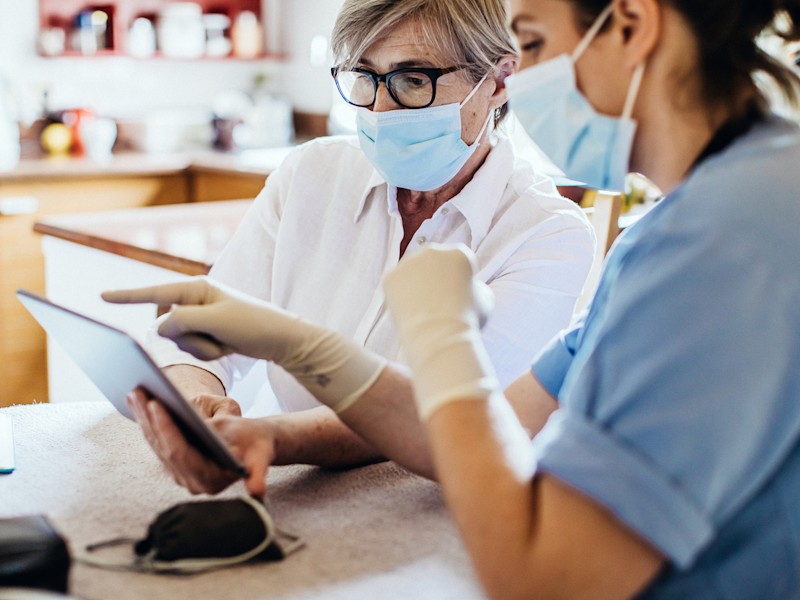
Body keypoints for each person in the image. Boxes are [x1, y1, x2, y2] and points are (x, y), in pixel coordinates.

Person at [105, 0, 800, 597]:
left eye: (530, 40)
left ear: (630, 24)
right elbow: (504, 419)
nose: (522, 76)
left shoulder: (728, 237)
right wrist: (301, 350)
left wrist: (445, 339)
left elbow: (544, 578)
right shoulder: (678, 226)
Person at [147, 0, 593, 456]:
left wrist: (276, 438)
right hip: (293, 477)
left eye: (412, 80)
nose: (380, 109)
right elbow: (207, 333)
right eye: (365, 76)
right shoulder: (311, 175)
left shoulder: (547, 234)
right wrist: (194, 401)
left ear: (499, 81)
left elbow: (444, 415)